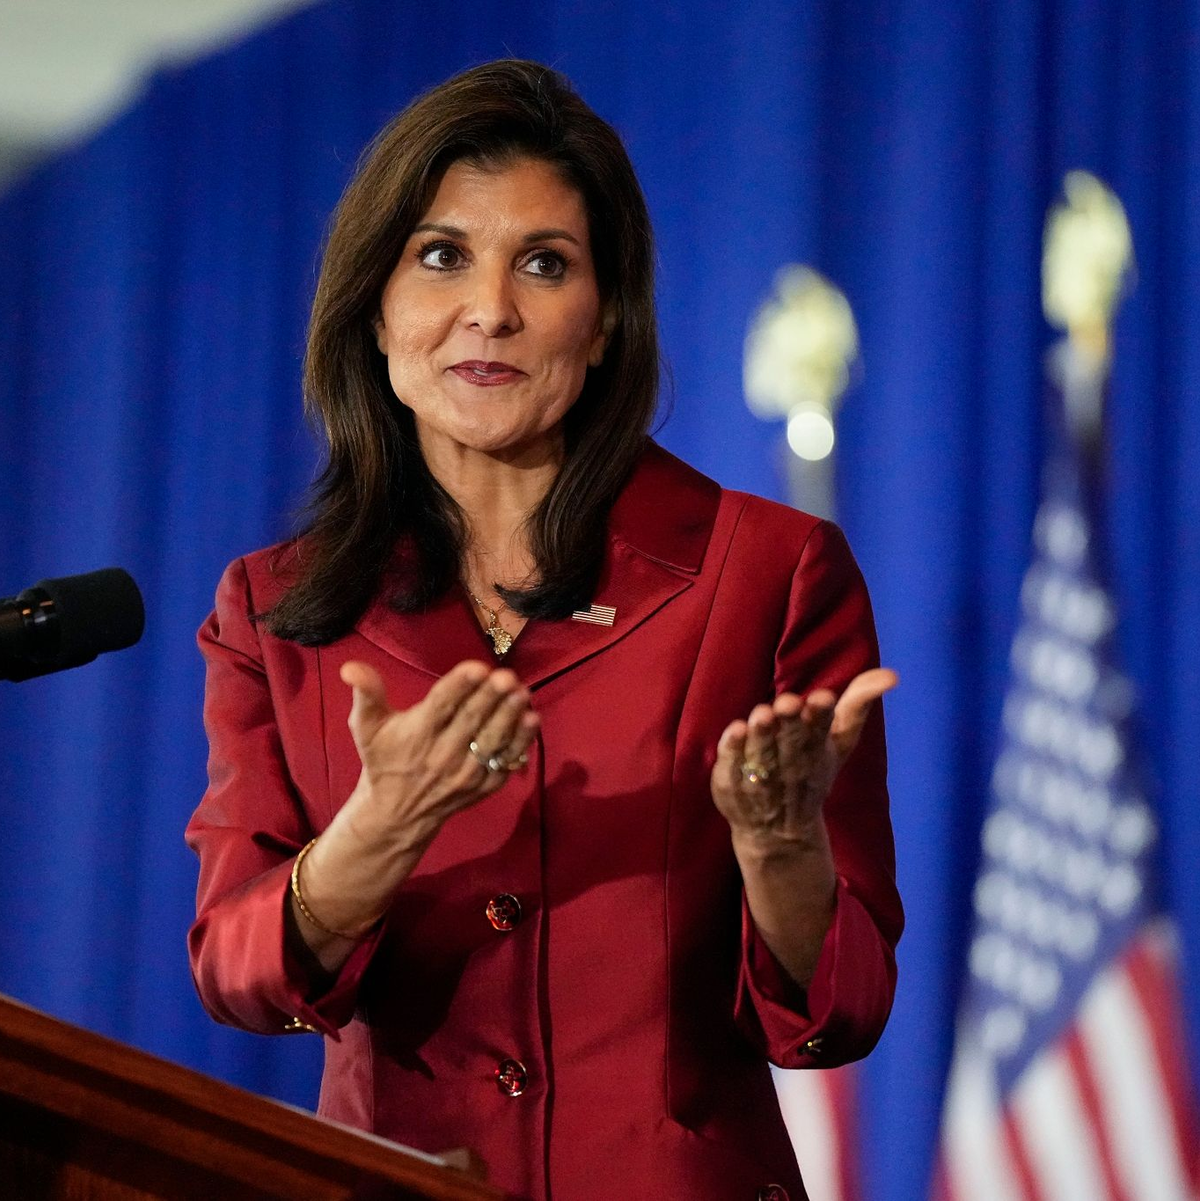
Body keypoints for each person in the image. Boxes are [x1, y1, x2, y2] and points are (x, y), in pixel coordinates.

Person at [186, 59, 902, 1201]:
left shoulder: (767, 573)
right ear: (375, 306)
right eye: (441, 256)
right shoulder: (276, 607)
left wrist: (780, 852)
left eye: (545, 263)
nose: (491, 309)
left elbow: (845, 1010)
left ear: (607, 319)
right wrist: (375, 834)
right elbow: (236, 972)